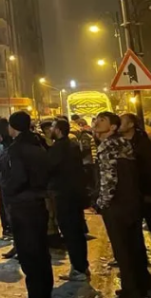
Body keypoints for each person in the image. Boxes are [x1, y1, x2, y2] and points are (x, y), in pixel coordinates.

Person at [94, 111, 151, 298]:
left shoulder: (107, 146)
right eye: (97, 119)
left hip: (117, 204)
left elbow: (109, 178)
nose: (96, 123)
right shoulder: (124, 143)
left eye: (102, 120)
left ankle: (131, 289)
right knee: (135, 244)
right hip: (132, 201)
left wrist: (102, 202)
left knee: (122, 249)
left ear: (112, 127)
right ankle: (142, 283)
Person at [0, 111, 53, 298]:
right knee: (41, 252)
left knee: (29, 256)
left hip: (23, 207)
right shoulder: (39, 144)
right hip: (38, 203)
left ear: (13, 127)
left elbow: (18, 178)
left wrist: (6, 188)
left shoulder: (17, 149)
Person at [119, 113, 151, 278]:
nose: (118, 124)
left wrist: (150, 193)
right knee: (134, 233)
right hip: (132, 196)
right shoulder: (121, 142)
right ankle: (141, 268)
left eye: (121, 122)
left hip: (147, 195)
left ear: (131, 124)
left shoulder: (143, 143)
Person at [48, 119, 89, 282]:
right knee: (76, 232)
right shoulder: (71, 145)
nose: (50, 129)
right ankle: (81, 266)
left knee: (71, 233)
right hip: (74, 194)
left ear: (58, 130)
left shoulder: (59, 148)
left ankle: (78, 269)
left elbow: (50, 168)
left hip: (65, 195)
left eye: (52, 127)